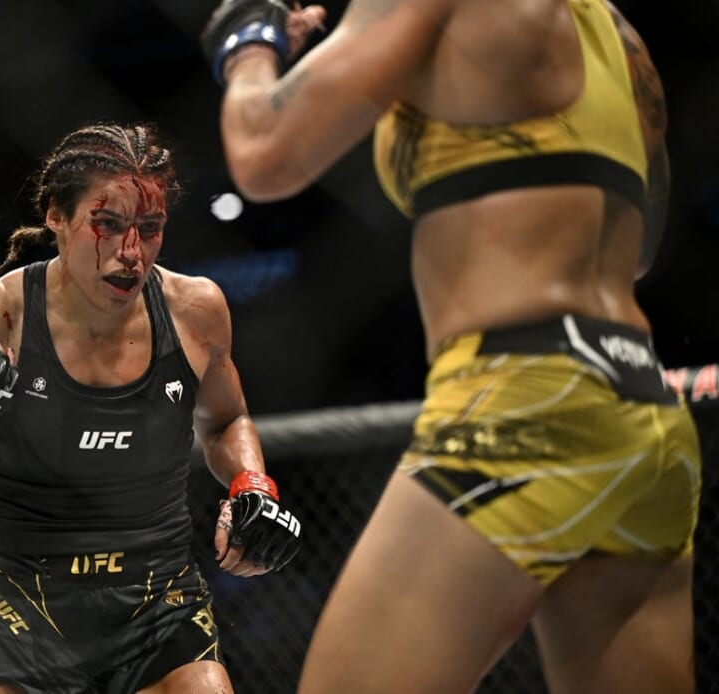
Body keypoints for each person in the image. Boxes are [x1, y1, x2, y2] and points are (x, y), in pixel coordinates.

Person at [202, 0, 702, 692]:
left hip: (524, 395)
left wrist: (247, 44)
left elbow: (263, 152)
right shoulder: (617, 33)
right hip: (643, 403)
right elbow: (641, 243)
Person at [0, 122, 302, 694]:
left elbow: (226, 420)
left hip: (159, 603)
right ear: (56, 214)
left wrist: (252, 485)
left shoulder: (194, 310)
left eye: (149, 229)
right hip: (22, 610)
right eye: (107, 224)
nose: (131, 253)